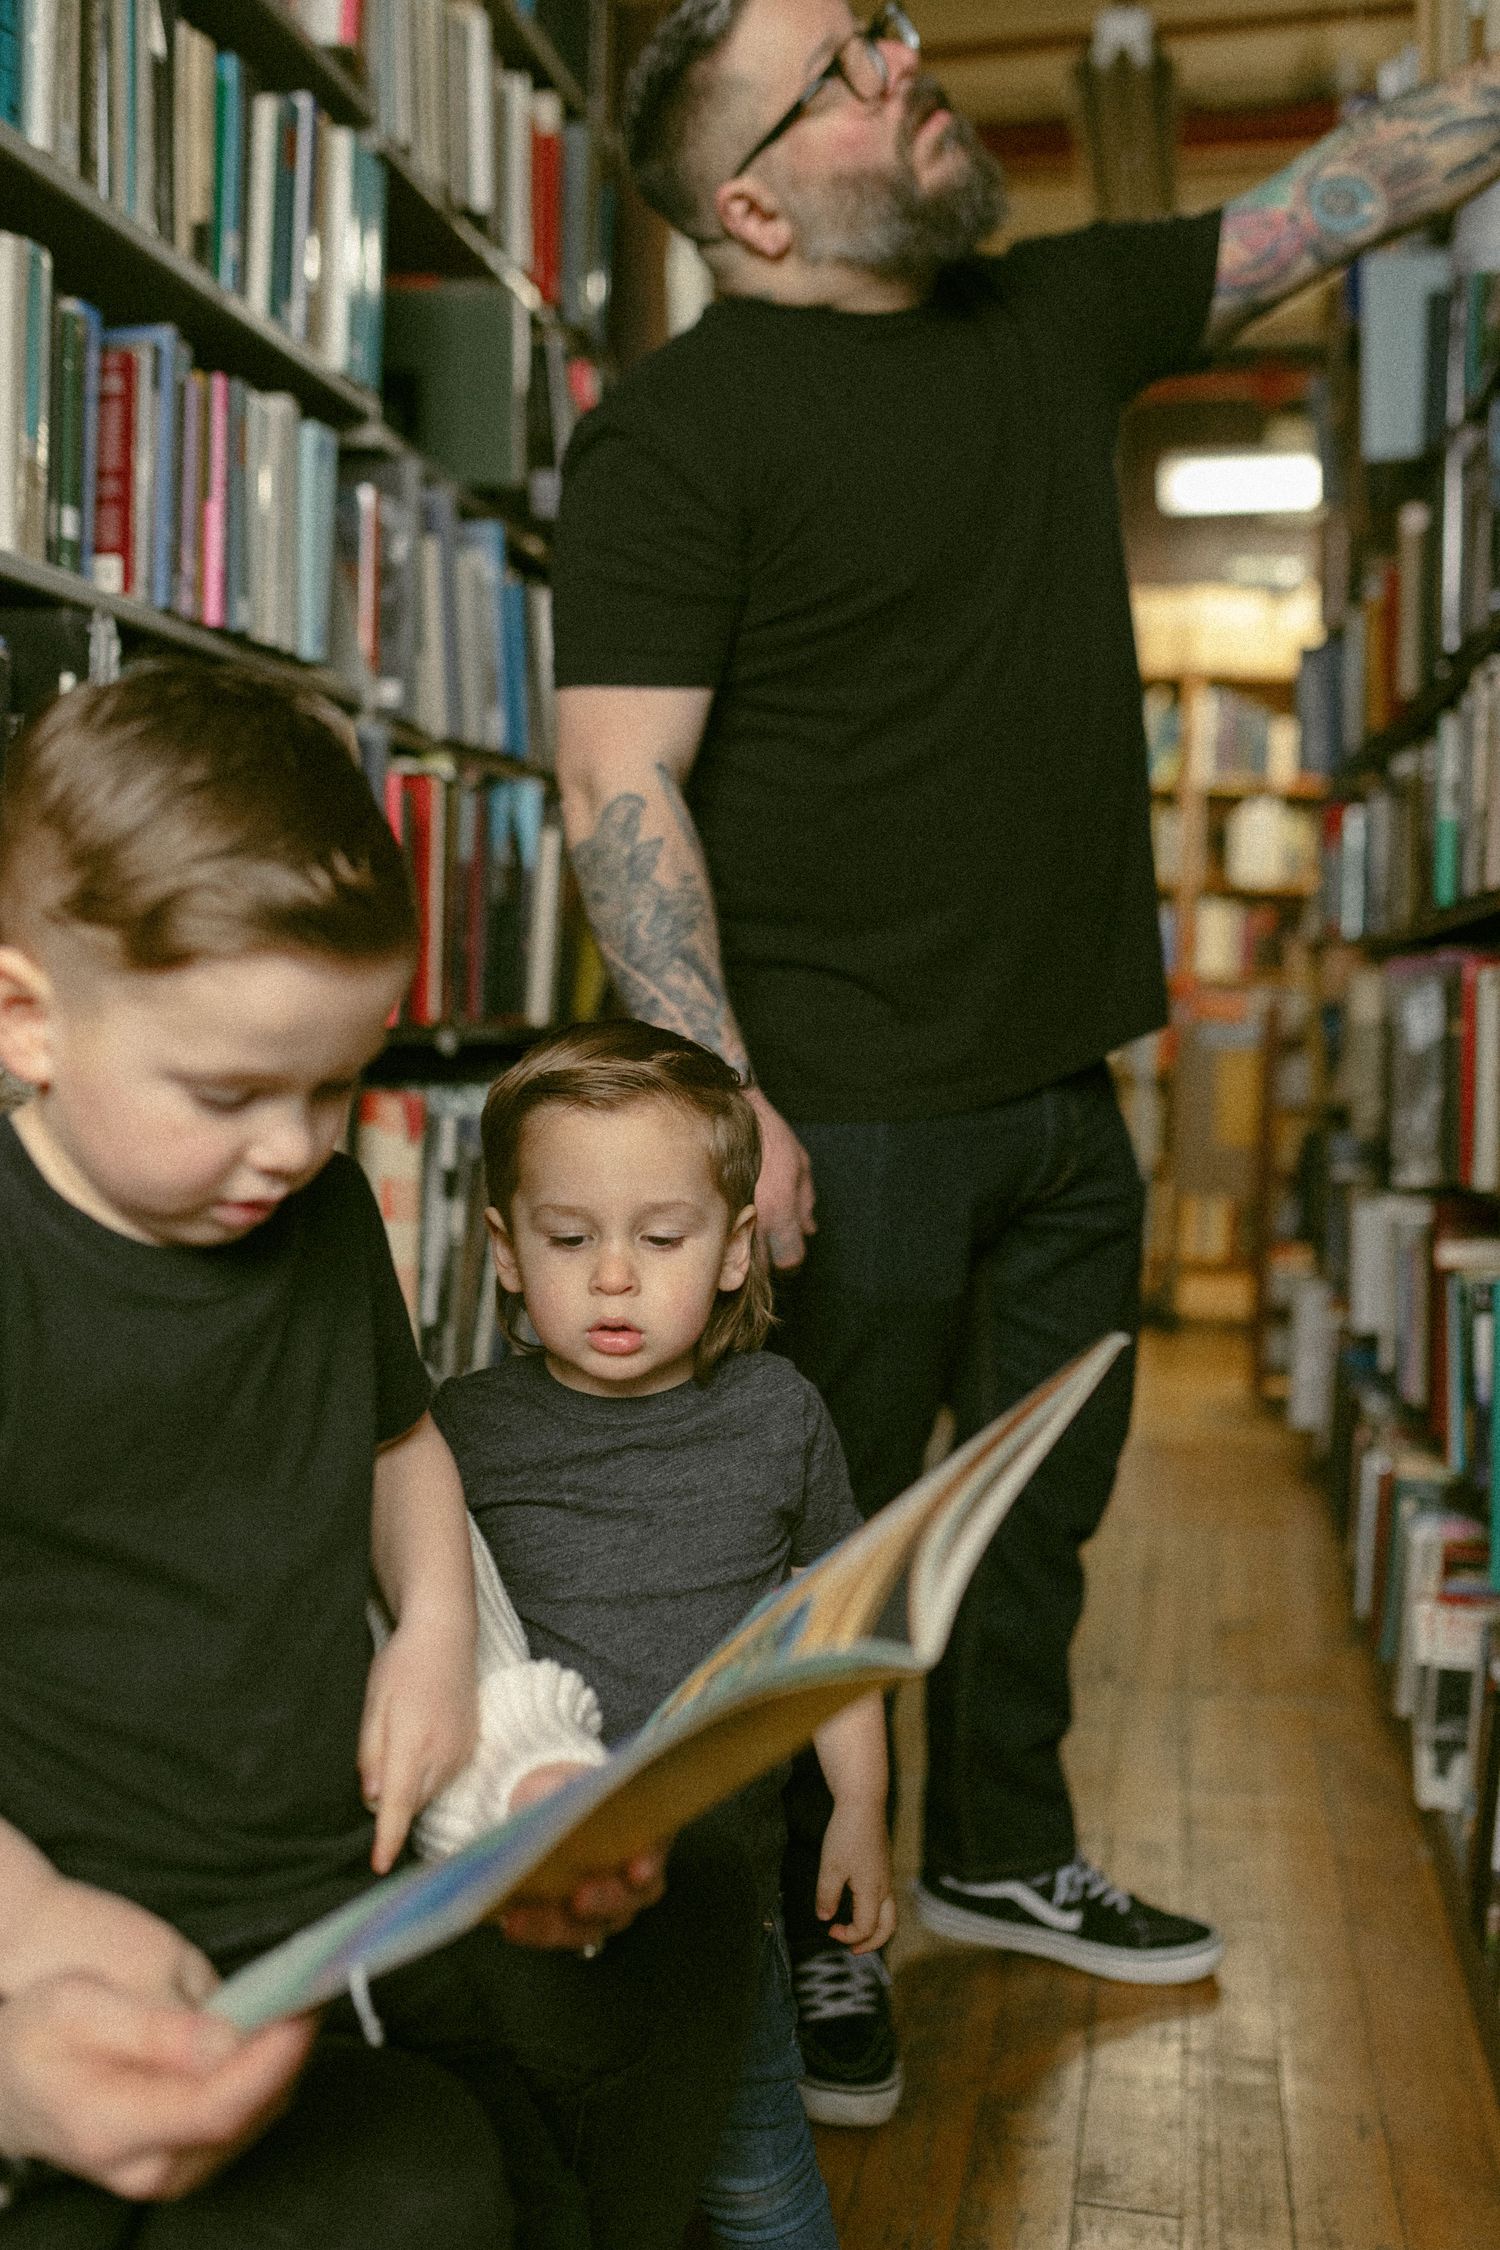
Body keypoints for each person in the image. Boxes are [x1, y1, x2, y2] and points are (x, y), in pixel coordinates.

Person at [546, 0, 1500, 2122]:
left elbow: (1326, 210)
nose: (898, 58)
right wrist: (726, 1109)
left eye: (884, 23)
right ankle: (813, 1934)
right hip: (839, 1111)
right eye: (842, 64)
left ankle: (987, 1849)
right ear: (755, 199)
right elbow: (620, 776)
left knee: (1041, 1513)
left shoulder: (1044, 317)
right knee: (832, 1544)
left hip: (1066, 1080)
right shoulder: (678, 436)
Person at [0, 659, 761, 2247]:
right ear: (26, 1017)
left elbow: (397, 1440)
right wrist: (29, 1922)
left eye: (338, 1083)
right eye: (227, 1091)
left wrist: (428, 1632)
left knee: (638, 1965)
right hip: (70, 1933)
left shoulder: (313, 1207)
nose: (294, 1143)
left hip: (315, 1893)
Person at [431, 1020, 898, 2240]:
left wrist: (858, 1809)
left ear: (739, 1249)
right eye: (570, 1239)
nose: (616, 1277)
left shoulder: (777, 1415)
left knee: (759, 2191)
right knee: (554, 2186)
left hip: (717, 1914)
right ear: (507, 1254)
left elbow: (829, 1632)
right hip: (521, 1903)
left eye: (662, 1237)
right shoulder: (458, 1432)